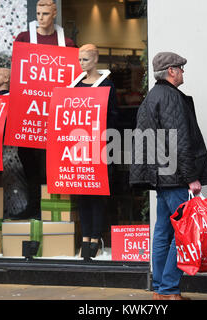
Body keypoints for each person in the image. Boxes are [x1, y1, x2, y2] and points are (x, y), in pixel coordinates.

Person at [129, 52, 207, 300]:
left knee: (163, 232)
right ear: (171, 71)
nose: (183, 72)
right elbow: (179, 141)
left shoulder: (151, 97)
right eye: (181, 68)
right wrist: (191, 177)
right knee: (185, 234)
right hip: (176, 178)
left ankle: (160, 290)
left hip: (161, 177)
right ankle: (168, 290)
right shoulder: (170, 98)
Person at [13, 0, 75, 220]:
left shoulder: (66, 44)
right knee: (28, 161)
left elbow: (72, 79)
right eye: (38, 13)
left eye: (46, 13)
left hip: (53, 116)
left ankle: (51, 209)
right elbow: (18, 73)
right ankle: (33, 206)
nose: (41, 17)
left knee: (51, 165)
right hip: (29, 114)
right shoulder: (23, 38)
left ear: (55, 13)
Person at [74, 44, 118, 260]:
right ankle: (85, 237)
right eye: (80, 59)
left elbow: (113, 115)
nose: (82, 63)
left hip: (100, 146)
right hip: (79, 147)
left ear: (95, 59)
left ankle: (95, 237)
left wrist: (103, 134)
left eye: (86, 59)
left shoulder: (107, 85)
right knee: (83, 192)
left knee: (98, 193)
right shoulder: (74, 86)